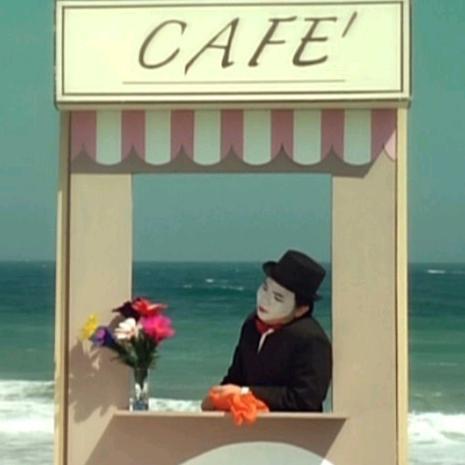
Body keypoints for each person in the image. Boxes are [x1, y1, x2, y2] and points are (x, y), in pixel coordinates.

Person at [202, 250, 332, 412]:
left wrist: (246, 393)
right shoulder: (251, 325)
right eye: (264, 288)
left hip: (292, 427)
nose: (265, 299)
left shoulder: (311, 339)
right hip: (248, 423)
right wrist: (218, 397)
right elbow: (236, 377)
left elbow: (306, 399)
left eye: (278, 298)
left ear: (301, 309)